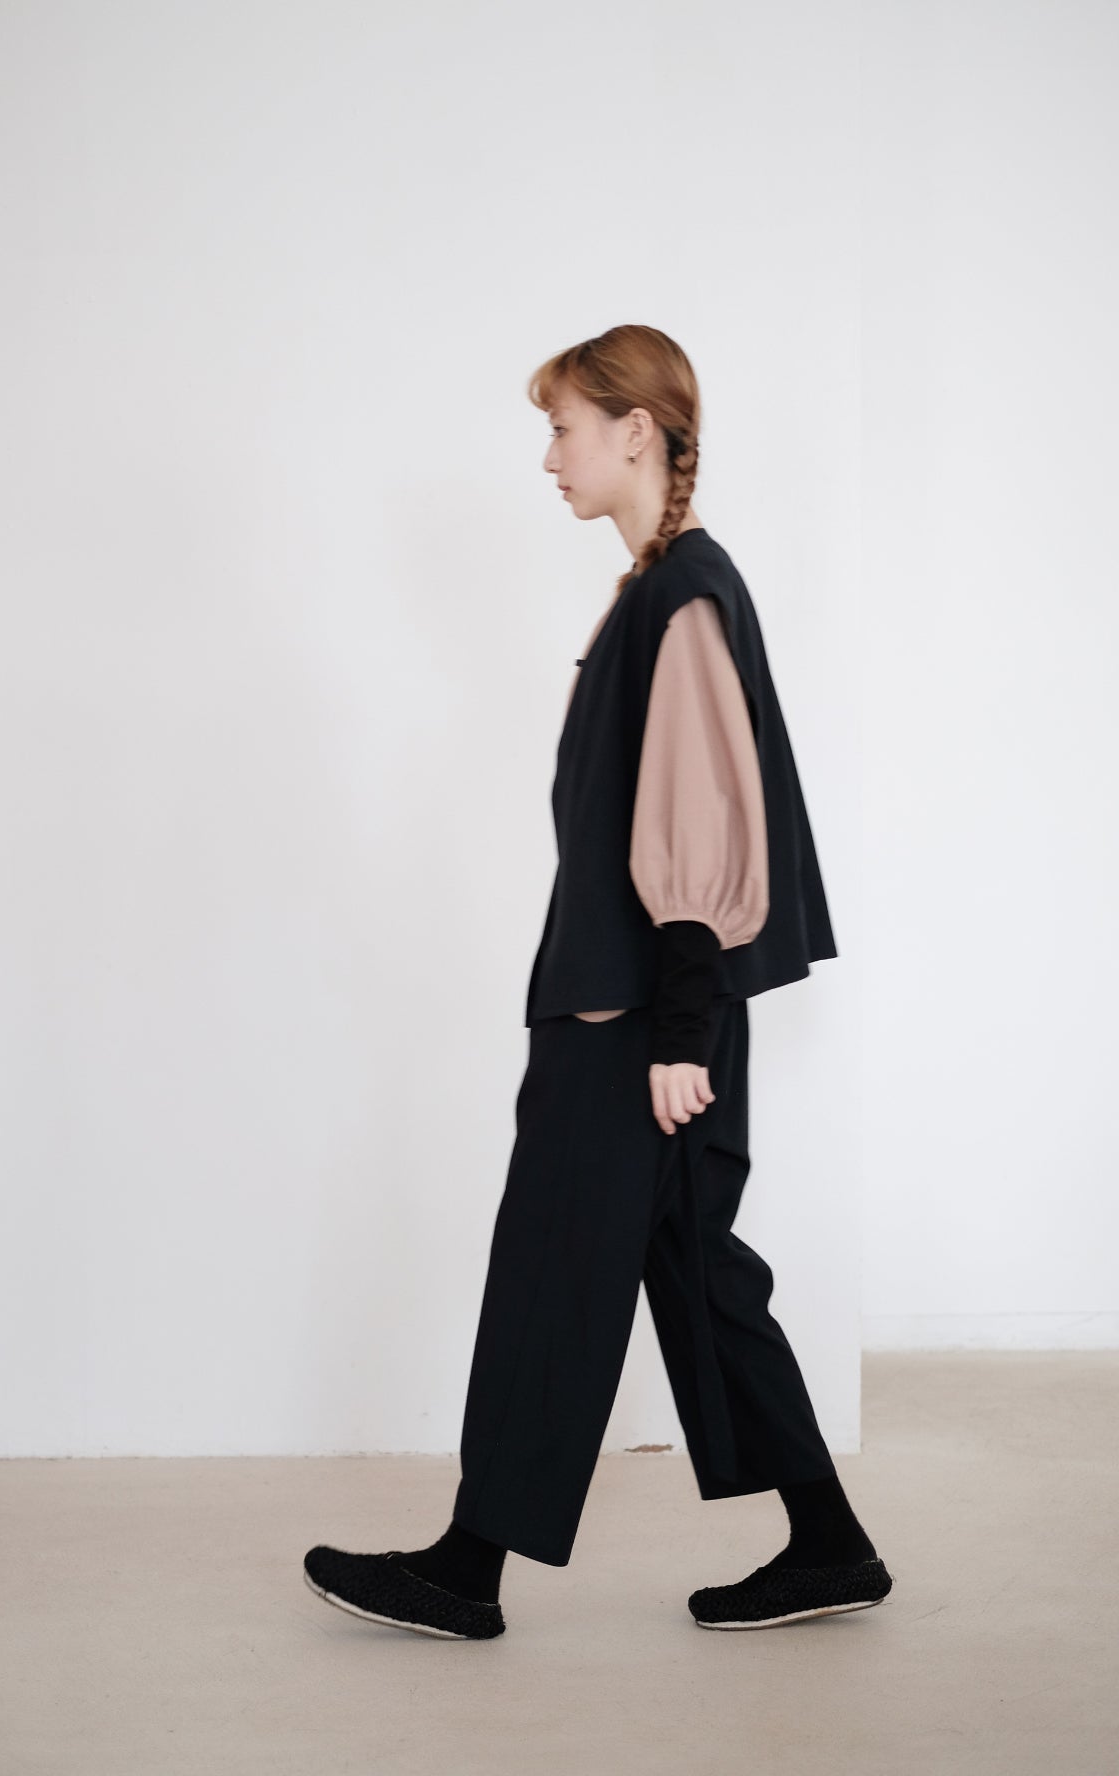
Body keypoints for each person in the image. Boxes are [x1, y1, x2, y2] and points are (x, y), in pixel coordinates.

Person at [304, 325, 893, 1640]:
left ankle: (466, 1569)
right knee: (696, 1273)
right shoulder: (661, 590)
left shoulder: (683, 597)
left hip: (636, 1020)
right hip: (650, 1009)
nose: (548, 457)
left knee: (552, 1266)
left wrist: (677, 1034)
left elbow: (699, 828)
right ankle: (830, 1542)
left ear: (635, 431)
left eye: (562, 427)